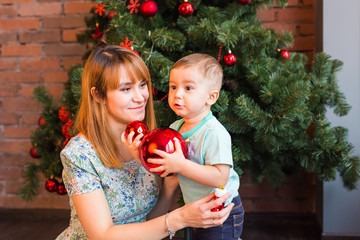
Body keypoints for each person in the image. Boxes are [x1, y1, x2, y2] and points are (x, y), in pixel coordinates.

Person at [56, 46, 234, 240]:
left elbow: (150, 219)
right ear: (98, 95)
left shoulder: (149, 142)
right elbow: (102, 235)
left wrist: (172, 181)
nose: (140, 97)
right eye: (126, 89)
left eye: (142, 85)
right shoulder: (79, 155)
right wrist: (181, 218)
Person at [147, 53, 244, 240]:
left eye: (188, 88)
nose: (178, 94)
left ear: (211, 97)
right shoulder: (175, 129)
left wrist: (181, 165)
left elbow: (220, 177)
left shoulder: (214, 132)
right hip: (195, 207)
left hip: (221, 211)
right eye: (173, 87)